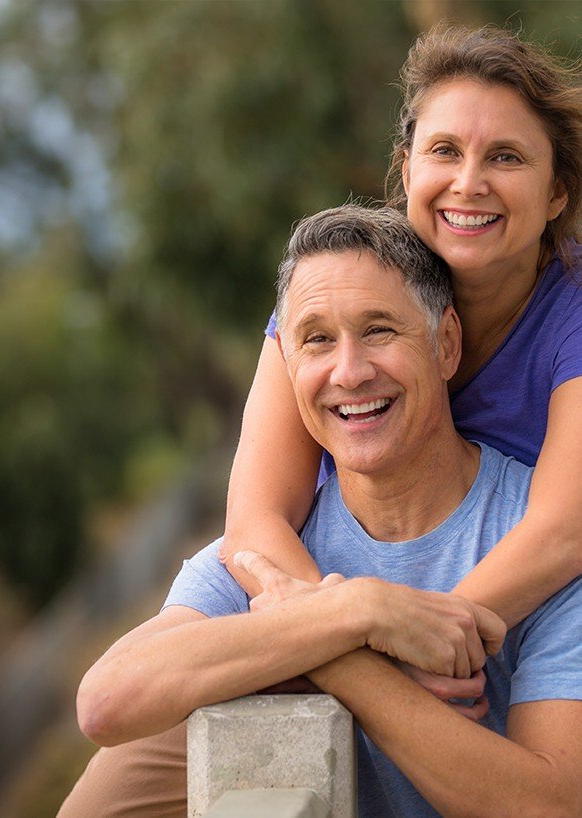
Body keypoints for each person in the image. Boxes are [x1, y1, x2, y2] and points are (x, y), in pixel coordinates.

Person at [65, 205, 582, 817]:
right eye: (317, 340)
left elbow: (550, 806)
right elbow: (106, 703)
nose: (350, 371)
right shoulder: (276, 550)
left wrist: (335, 657)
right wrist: (357, 609)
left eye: (380, 330)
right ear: (287, 367)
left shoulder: (536, 551)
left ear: (446, 345)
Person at [222, 23, 582, 635]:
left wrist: (415, 642)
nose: (469, 183)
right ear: (407, 170)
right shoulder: (335, 288)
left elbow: (562, 535)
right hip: (338, 594)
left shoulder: (571, 312)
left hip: (526, 629)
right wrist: (355, 635)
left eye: (506, 156)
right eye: (445, 151)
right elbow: (255, 523)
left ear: (557, 194)